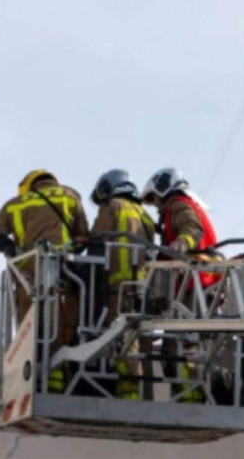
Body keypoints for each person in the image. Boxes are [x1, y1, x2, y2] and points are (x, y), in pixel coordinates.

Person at [0, 170, 90, 393]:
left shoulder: (14, 204)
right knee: (63, 333)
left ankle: (33, 385)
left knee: (29, 334)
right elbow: (82, 239)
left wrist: (14, 251)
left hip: (28, 280)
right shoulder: (70, 197)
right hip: (64, 278)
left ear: (28, 186)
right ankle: (59, 386)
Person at [142, 168, 220, 404]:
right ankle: (187, 396)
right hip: (196, 284)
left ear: (163, 190)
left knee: (181, 347)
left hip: (196, 283)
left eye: (155, 200)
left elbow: (193, 228)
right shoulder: (180, 206)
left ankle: (190, 399)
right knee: (175, 348)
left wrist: (181, 244)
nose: (156, 206)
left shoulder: (178, 205)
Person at [90, 169, 157, 400]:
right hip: (145, 287)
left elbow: (96, 239)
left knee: (123, 340)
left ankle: (128, 393)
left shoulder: (113, 207)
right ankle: (146, 394)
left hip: (119, 286)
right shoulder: (145, 215)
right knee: (142, 340)